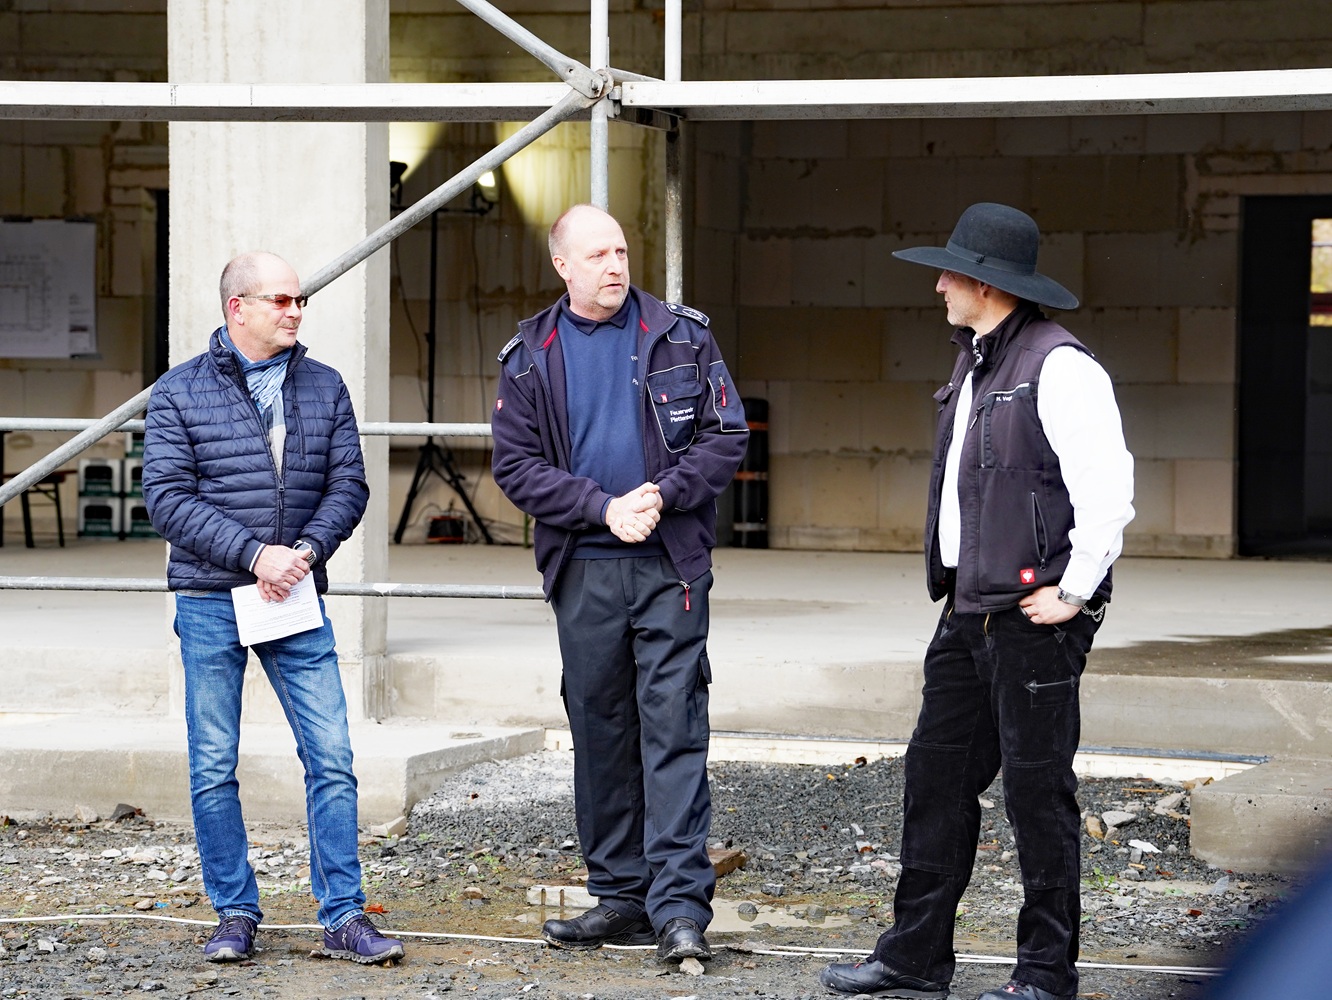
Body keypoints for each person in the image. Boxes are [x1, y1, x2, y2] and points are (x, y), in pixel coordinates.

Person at [820, 203, 1135, 1000]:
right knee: (935, 784)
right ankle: (915, 959)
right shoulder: (975, 363)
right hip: (967, 613)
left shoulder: (1061, 367)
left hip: (1032, 619)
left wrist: (1076, 590)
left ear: (984, 284)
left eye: (948, 273)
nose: (937, 286)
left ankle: (1044, 976)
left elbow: (1109, 491)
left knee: (1039, 798)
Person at [490, 204, 749, 963]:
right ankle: (620, 898)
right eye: (597, 254)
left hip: (669, 565)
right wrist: (602, 508)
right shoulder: (531, 354)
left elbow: (725, 435)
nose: (615, 265)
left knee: (673, 730)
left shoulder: (682, 335)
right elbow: (516, 466)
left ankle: (678, 910)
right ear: (562, 265)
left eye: (622, 251)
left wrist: (660, 497)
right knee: (600, 734)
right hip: (584, 570)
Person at [142, 251, 403, 966]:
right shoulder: (177, 393)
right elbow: (165, 497)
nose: (295, 310)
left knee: (333, 757)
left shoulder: (325, 387)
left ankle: (345, 915)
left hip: (293, 596)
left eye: (300, 300)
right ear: (237, 308)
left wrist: (305, 554)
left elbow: (349, 484)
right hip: (210, 598)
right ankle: (234, 912)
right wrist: (255, 554)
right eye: (281, 299)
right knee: (212, 764)